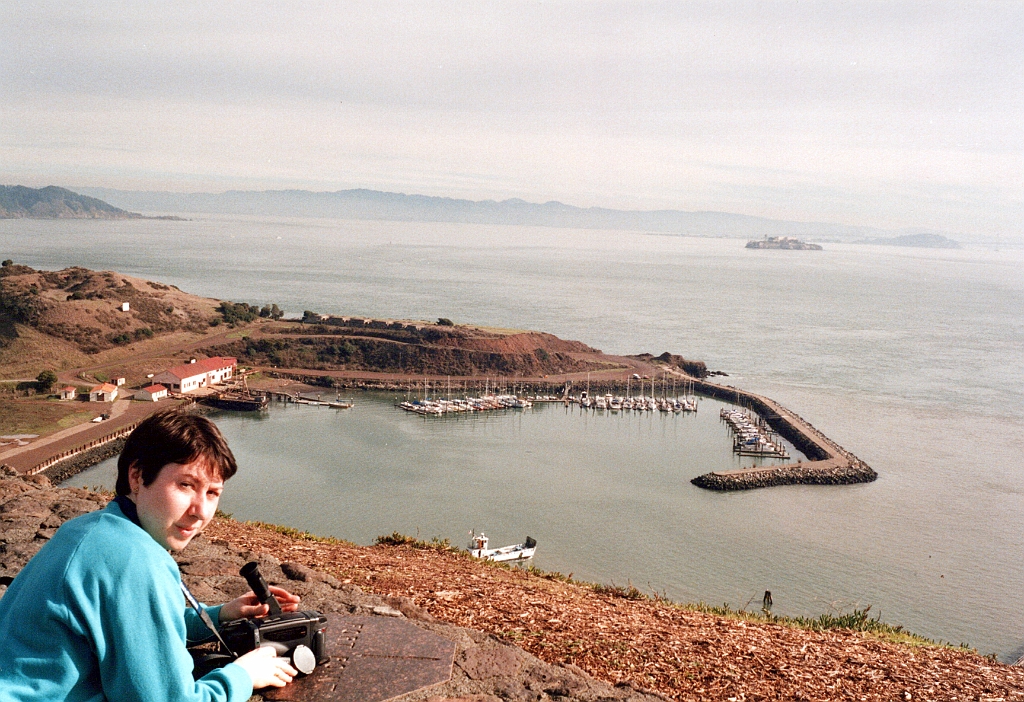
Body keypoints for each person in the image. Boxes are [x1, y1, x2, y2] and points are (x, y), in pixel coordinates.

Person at [0, 409, 300, 702]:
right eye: (186, 485)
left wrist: (219, 615)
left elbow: (131, 627)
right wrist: (244, 675)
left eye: (212, 492)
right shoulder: (134, 560)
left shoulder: (87, 529)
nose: (200, 511)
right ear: (137, 476)